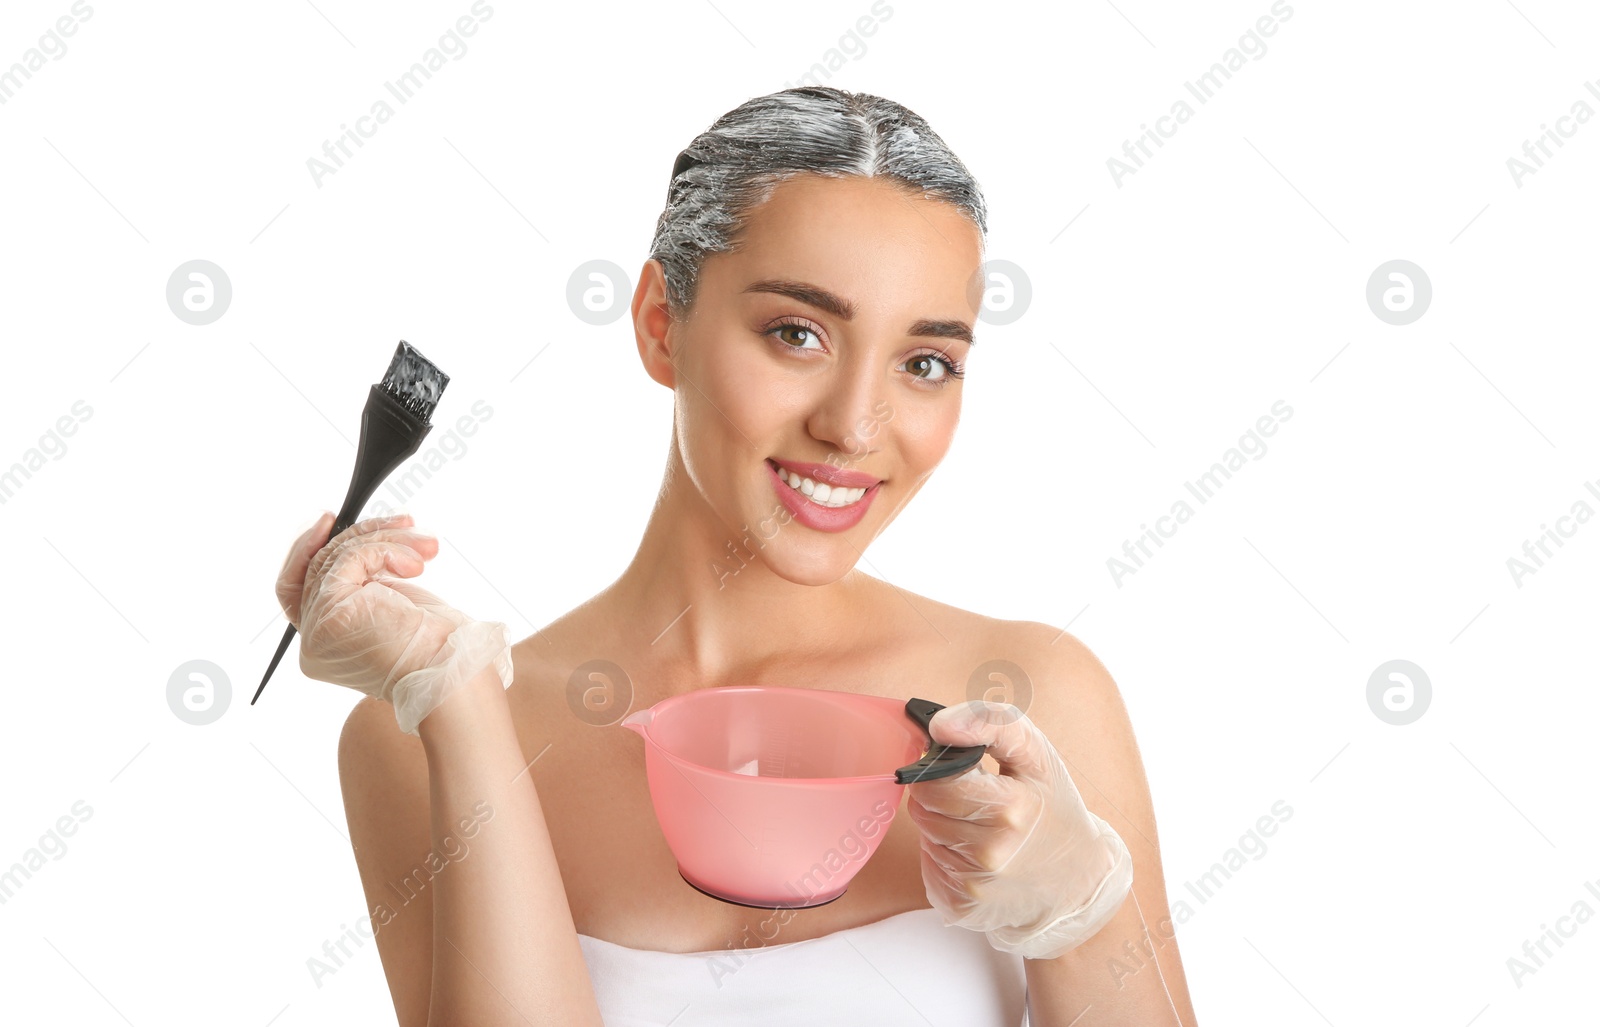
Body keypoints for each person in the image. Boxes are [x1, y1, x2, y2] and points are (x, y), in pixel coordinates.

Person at [274, 86, 1197, 1026]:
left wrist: (1082, 912)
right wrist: (457, 703)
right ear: (659, 323)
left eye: (925, 362)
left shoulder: (1039, 701)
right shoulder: (416, 738)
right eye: (797, 333)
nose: (852, 426)